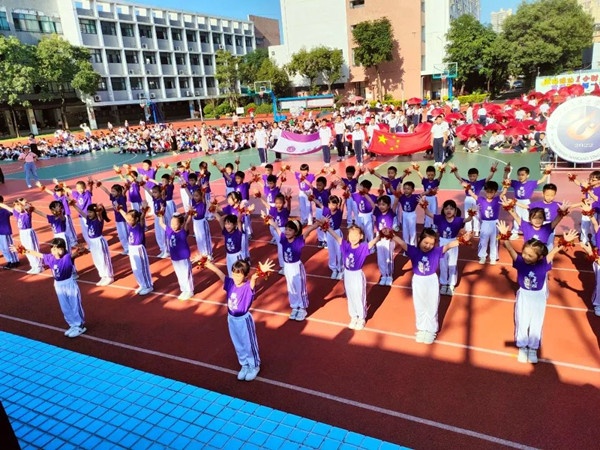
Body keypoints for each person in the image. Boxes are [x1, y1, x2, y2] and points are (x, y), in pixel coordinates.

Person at [496, 221, 578, 363]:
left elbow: (554, 251)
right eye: (525, 253)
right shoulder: (520, 261)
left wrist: (565, 241)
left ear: (539, 257)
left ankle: (533, 348)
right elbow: (509, 248)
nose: (526, 257)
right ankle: (522, 346)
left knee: (536, 321)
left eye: (530, 255)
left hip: (539, 296)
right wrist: (504, 235)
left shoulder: (544, 263)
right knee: (522, 319)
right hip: (524, 295)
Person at [391, 228, 470, 344]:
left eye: (431, 244)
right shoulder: (413, 251)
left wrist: (462, 240)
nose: (428, 246)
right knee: (419, 305)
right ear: (420, 240)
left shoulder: (436, 251)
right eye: (426, 242)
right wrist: (391, 235)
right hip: (418, 280)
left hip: (431, 280)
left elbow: (449, 245)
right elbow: (402, 243)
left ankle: (431, 330)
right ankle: (422, 328)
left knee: (431, 305)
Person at [203, 258, 275, 381]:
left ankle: (254, 365)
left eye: (239, 275)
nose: (235, 277)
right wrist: (208, 264)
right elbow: (220, 274)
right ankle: (244, 364)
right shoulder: (230, 284)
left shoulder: (247, 286)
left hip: (243, 320)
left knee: (248, 343)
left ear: (245, 276)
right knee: (238, 343)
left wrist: (260, 271)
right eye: (234, 274)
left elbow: (254, 278)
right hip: (231, 319)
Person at [12, 238, 87, 338]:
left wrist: (80, 250)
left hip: (69, 284)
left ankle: (80, 325)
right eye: (53, 248)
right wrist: (23, 251)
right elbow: (36, 254)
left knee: (74, 305)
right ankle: (72, 324)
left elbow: (77, 253)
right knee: (65, 307)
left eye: (57, 249)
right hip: (58, 285)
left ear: (63, 249)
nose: (54, 251)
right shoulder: (50, 257)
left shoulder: (67, 257)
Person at [324, 224, 381, 330]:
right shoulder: (346, 245)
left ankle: (361, 318)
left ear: (361, 236)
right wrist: (328, 228)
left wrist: (380, 236)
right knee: (350, 296)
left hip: (357, 274)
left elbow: (372, 243)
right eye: (351, 235)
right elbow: (336, 237)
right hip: (347, 274)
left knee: (359, 296)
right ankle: (354, 316)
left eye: (356, 235)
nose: (353, 238)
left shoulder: (363, 247)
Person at [266, 218, 318, 321]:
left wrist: (319, 223)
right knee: (291, 287)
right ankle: (295, 306)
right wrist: (271, 222)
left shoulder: (299, 241)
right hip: (287, 267)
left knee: (300, 287)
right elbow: (276, 228)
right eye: (286, 229)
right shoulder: (283, 239)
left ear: (296, 232)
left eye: (290, 230)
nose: (287, 232)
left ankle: (302, 308)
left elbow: (310, 229)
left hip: (296, 267)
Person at [504, 164, 552, 240]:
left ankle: (528, 232)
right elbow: (505, 179)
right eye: (519, 175)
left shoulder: (531, 183)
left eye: (523, 175)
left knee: (526, 217)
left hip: (526, 202)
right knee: (516, 217)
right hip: (516, 201)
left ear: (528, 175)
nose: (520, 176)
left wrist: (547, 171)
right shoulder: (515, 183)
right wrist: (506, 171)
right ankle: (515, 232)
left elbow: (542, 180)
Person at [71, 203, 114, 286]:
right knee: (97, 260)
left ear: (95, 212)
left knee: (103, 259)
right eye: (88, 212)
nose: (89, 214)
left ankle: (109, 276)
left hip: (99, 241)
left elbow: (99, 214)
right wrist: (74, 205)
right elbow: (81, 212)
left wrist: (99, 210)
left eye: (91, 212)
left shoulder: (99, 220)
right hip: (92, 242)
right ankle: (103, 276)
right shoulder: (89, 219)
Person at [0, 198, 42, 273]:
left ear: (23, 206)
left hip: (28, 232)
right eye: (15, 206)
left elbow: (28, 206)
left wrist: (23, 203)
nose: (17, 208)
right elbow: (7, 207)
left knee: (32, 249)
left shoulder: (27, 212)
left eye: (18, 206)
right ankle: (33, 266)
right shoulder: (17, 214)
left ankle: (38, 266)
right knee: (25, 249)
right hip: (22, 233)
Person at [119, 205, 153, 295]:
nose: (128, 221)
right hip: (131, 248)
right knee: (135, 269)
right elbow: (125, 216)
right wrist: (120, 209)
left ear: (136, 219)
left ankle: (148, 286)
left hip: (139, 249)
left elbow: (142, 218)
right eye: (128, 220)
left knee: (142, 268)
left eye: (130, 220)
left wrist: (144, 211)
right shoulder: (129, 225)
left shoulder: (139, 225)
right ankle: (141, 284)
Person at [0, 195, 19, 269]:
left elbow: (14, 211)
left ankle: (15, 261)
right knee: (3, 248)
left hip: (6, 232)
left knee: (9, 247)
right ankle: (9, 261)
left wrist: (4, 206)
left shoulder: (5, 211)